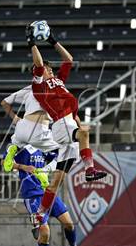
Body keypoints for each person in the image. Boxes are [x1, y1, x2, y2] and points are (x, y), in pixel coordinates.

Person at [25, 23, 107, 222]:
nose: (49, 71)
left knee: (56, 183)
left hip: (68, 123)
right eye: (46, 70)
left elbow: (68, 59)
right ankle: (90, 170)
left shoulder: (59, 80)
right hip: (61, 124)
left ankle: (39, 215)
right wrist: (32, 42)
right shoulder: (39, 87)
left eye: (50, 69)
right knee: (84, 133)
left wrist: (53, 40)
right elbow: (38, 64)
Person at [3, 144, 88, 246]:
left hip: (48, 193)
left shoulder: (41, 146)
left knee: (69, 224)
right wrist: (23, 167)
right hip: (32, 195)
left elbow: (57, 157)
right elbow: (5, 163)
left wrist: (54, 165)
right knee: (45, 231)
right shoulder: (18, 145)